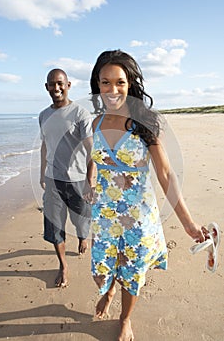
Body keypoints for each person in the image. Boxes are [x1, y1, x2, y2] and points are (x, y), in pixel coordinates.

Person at [88, 50, 209, 341]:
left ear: (130, 84)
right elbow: (94, 158)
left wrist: (188, 224)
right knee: (102, 272)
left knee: (132, 273)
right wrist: (89, 181)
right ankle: (110, 289)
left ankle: (125, 318)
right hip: (103, 215)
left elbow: (166, 176)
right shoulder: (95, 124)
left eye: (120, 82)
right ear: (97, 85)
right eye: (105, 83)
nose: (113, 90)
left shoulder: (145, 124)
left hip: (137, 218)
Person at [39, 68, 95, 288]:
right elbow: (45, 145)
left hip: (78, 180)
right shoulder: (43, 115)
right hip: (53, 180)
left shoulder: (80, 114)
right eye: (52, 84)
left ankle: (82, 237)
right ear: (47, 87)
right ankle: (63, 265)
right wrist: (42, 173)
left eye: (60, 83)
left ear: (68, 85)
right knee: (54, 226)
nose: (56, 88)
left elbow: (91, 148)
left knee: (81, 219)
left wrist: (90, 181)